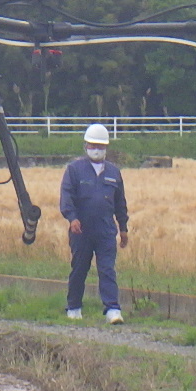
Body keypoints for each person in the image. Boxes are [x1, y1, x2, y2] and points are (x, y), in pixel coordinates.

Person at [59, 123, 130, 324]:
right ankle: (74, 307)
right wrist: (72, 218)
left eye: (100, 145)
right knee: (80, 268)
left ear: (106, 147)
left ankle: (112, 309)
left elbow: (120, 202)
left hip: (106, 230)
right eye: (92, 145)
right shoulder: (74, 170)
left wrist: (123, 228)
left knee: (107, 269)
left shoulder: (114, 173)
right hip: (81, 230)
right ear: (86, 146)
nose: (96, 149)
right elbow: (67, 197)